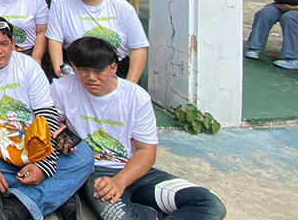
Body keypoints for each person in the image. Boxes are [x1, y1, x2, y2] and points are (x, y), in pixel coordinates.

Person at [53, 37, 226, 220]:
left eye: (99, 71)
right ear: (74, 67)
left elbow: (146, 151)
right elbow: (47, 122)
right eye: (83, 70)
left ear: (114, 68)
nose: (91, 78)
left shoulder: (136, 97)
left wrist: (120, 181)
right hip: (95, 172)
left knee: (210, 203)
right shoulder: (62, 88)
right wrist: (61, 131)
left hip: (133, 169)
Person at [0, 19, 94, 220]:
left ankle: (22, 203)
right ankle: (59, 192)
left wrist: (44, 166)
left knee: (83, 156)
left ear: (12, 43)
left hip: (33, 138)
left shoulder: (29, 66)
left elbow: (46, 114)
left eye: (4, 44)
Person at [48, 0, 149, 82]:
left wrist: (129, 85)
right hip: (77, 69)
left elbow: (139, 48)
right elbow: (55, 40)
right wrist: (60, 71)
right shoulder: (60, 4)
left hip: (115, 69)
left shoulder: (122, 6)